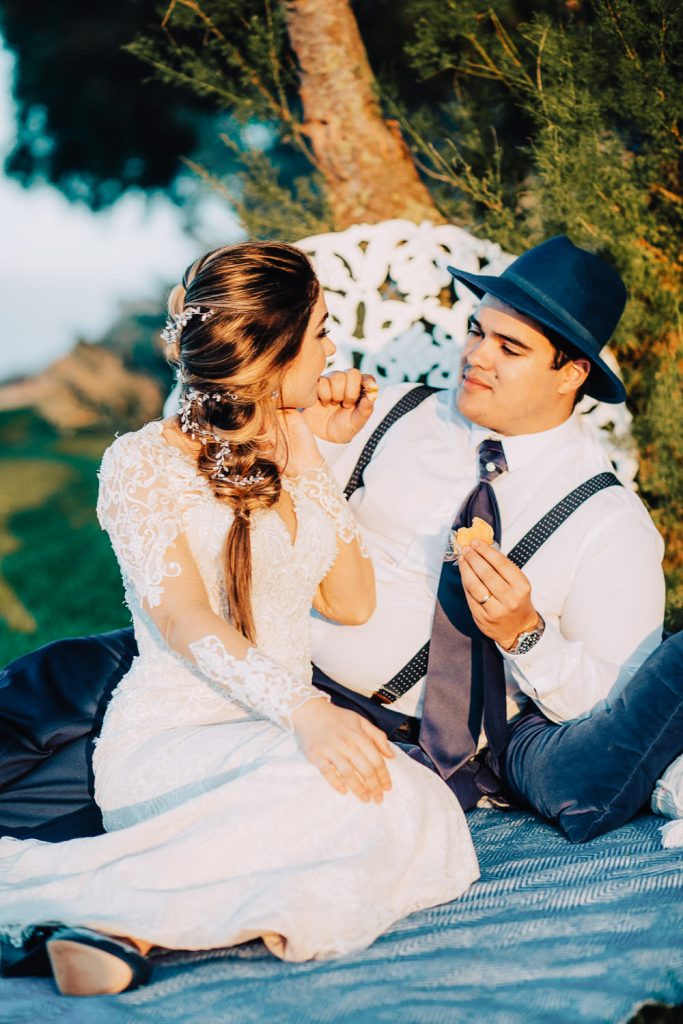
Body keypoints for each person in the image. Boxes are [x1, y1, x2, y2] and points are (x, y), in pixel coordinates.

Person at [0, 242, 479, 996]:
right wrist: (306, 711)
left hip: (276, 737)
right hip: (173, 741)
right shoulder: (140, 463)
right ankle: (56, 899)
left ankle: (112, 927)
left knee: (415, 802)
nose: (332, 349)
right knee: (346, 797)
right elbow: (186, 616)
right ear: (272, 346)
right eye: (320, 331)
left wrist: (312, 452)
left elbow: (351, 603)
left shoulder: (296, 451)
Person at [307, 234, 682, 841]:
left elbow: (610, 709)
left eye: (510, 347)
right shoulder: (388, 411)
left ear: (572, 375)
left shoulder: (609, 523)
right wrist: (310, 441)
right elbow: (260, 518)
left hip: (400, 743)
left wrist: (525, 635)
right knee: (97, 677)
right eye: (478, 332)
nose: (477, 356)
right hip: (278, 684)